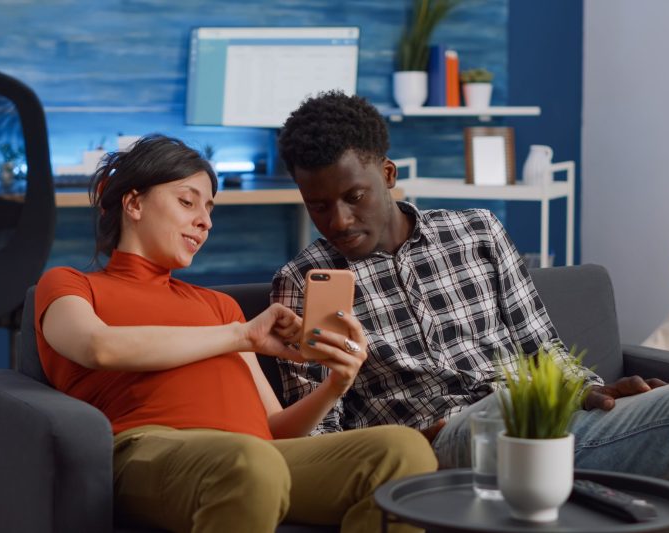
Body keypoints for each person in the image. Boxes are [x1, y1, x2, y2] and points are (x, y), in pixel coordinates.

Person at [272, 91, 669, 532]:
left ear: (388, 175)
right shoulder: (300, 282)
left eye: (354, 196)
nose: (339, 221)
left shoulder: (479, 232)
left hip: (540, 420)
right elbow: (320, 443)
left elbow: (544, 352)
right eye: (318, 206)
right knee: (503, 405)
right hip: (439, 443)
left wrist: (593, 393)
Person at [34, 134, 436, 533]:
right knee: (249, 463)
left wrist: (336, 383)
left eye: (209, 208)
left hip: (255, 456)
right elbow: (97, 347)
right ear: (134, 203)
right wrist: (240, 336)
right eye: (187, 201)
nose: (205, 221)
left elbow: (275, 427)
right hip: (148, 450)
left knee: (404, 451)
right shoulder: (70, 285)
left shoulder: (219, 307)